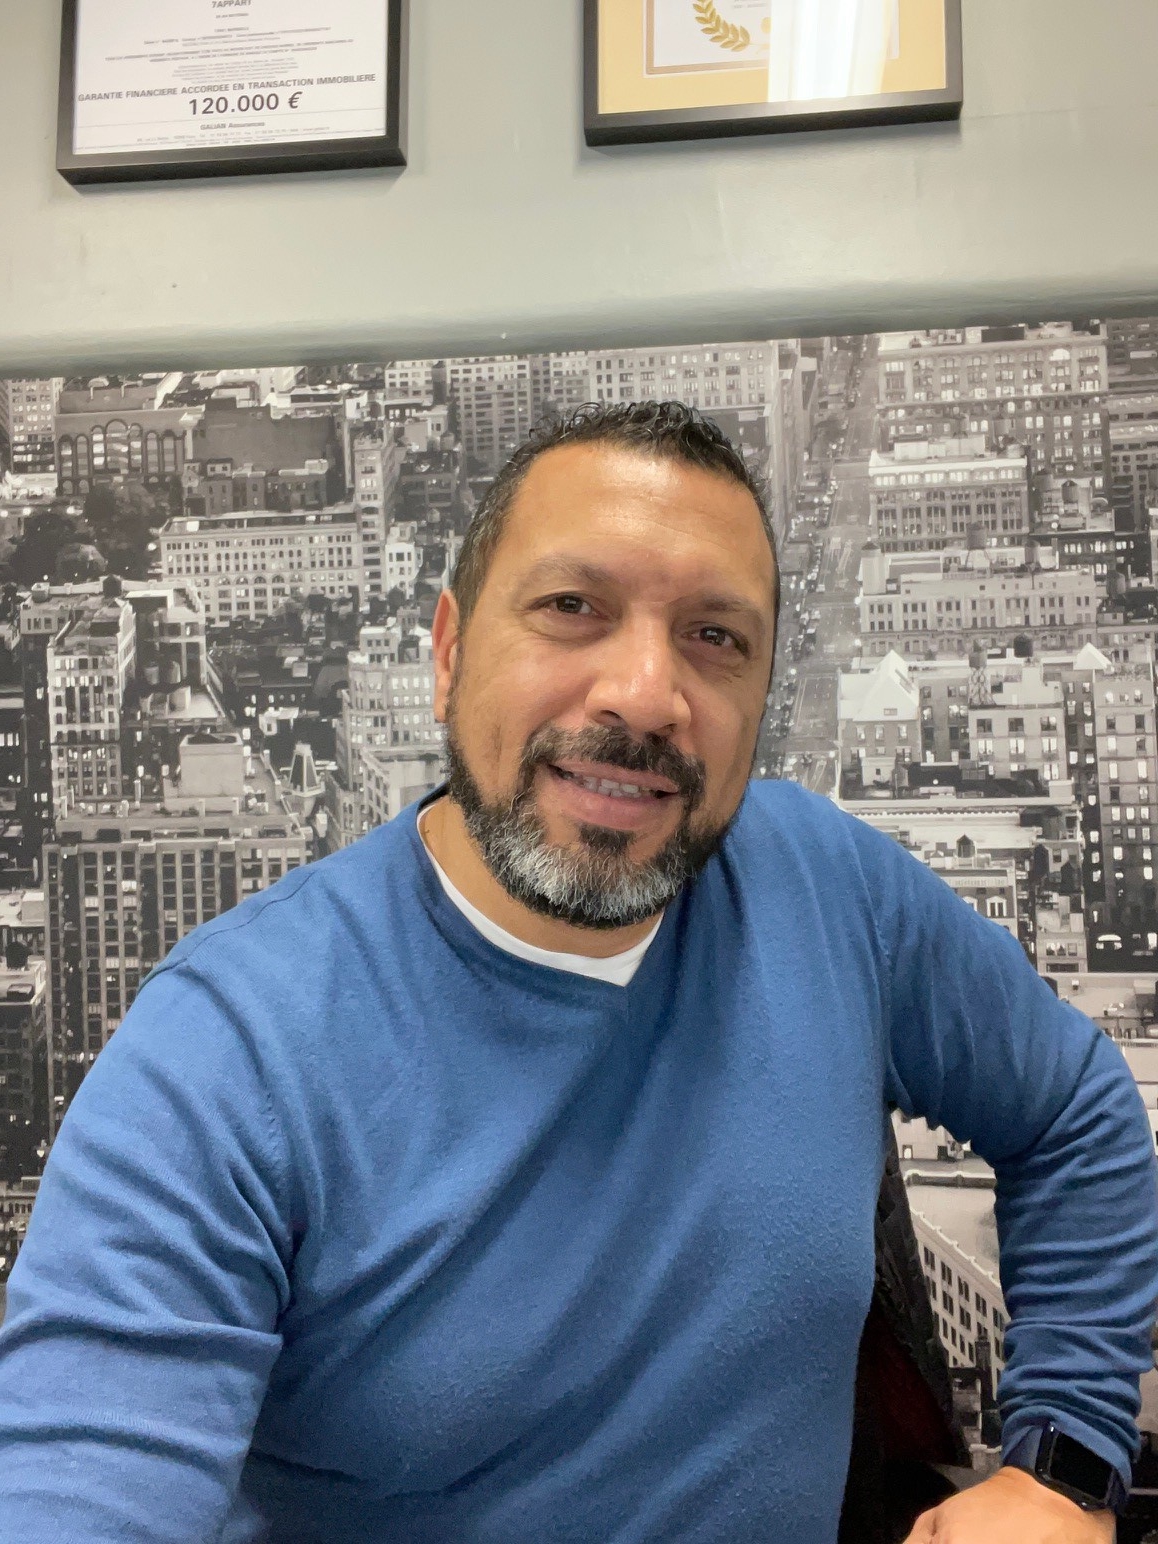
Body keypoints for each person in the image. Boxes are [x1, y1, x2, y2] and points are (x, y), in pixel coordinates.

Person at [0, 400, 1154, 1544]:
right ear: (448, 654)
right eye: (572, 607)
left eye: (715, 636)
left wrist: (1063, 1467)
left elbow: (1075, 1112)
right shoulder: (224, 1053)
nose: (645, 693)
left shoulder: (825, 886)